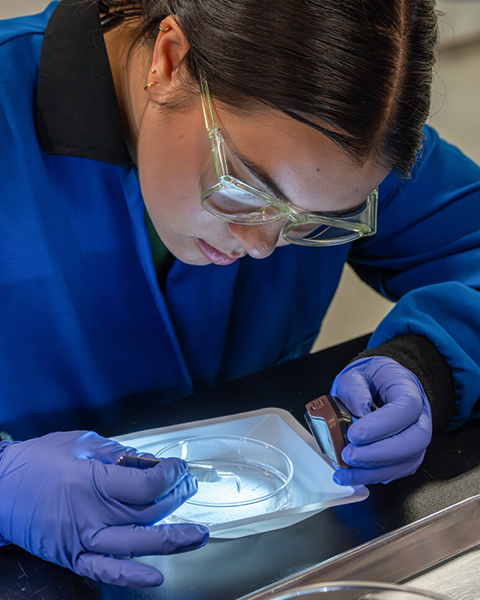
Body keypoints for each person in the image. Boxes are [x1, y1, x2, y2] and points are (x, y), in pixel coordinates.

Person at [0, 0, 479, 589]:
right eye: (247, 188)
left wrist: (428, 362)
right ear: (171, 60)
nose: (259, 244)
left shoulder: (346, 147)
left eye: (312, 220)